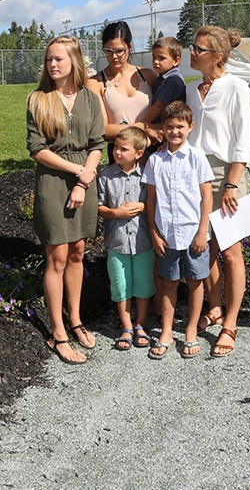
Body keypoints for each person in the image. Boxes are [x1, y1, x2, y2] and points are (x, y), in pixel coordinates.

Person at [27, 36, 105, 364]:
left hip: (83, 182)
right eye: (49, 60)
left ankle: (75, 320)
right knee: (57, 256)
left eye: (59, 59)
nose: (53, 65)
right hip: (54, 182)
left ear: (74, 61)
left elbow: (97, 143)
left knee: (77, 252)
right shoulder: (38, 99)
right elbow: (37, 149)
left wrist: (84, 181)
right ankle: (57, 332)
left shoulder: (90, 97)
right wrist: (77, 172)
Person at [186, 25, 250, 357]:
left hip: (225, 173)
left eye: (199, 49)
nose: (192, 52)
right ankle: (213, 309)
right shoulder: (190, 90)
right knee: (205, 248)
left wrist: (232, 182)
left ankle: (230, 324)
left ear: (217, 56)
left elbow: (245, 137)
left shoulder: (236, 88)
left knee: (230, 251)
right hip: (194, 175)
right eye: (192, 47)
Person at [142, 101, 214, 360]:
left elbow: (207, 197)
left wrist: (201, 230)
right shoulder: (155, 161)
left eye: (180, 127)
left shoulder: (197, 158)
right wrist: (155, 232)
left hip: (194, 233)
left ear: (190, 128)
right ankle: (166, 332)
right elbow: (151, 201)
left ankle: (191, 330)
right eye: (170, 126)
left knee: (195, 282)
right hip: (167, 236)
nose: (174, 131)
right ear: (162, 128)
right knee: (169, 282)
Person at [97, 126, 155, 351]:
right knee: (121, 286)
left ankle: (140, 323)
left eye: (123, 149)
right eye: (116, 149)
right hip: (117, 243)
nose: (117, 153)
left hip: (143, 243)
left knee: (142, 284)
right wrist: (114, 213)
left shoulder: (147, 177)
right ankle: (126, 326)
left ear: (138, 154)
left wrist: (142, 206)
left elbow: (155, 204)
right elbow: (98, 206)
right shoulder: (106, 176)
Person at [85, 20, 160, 157]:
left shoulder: (148, 76)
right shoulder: (95, 83)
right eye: (108, 51)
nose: (114, 57)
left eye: (119, 51)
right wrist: (143, 127)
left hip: (154, 151)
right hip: (121, 157)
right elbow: (103, 129)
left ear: (130, 46)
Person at [134, 35, 186, 130]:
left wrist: (142, 125)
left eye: (161, 58)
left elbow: (158, 106)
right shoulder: (162, 77)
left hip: (169, 128)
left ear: (176, 61)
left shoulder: (173, 80)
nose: (156, 62)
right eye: (154, 57)